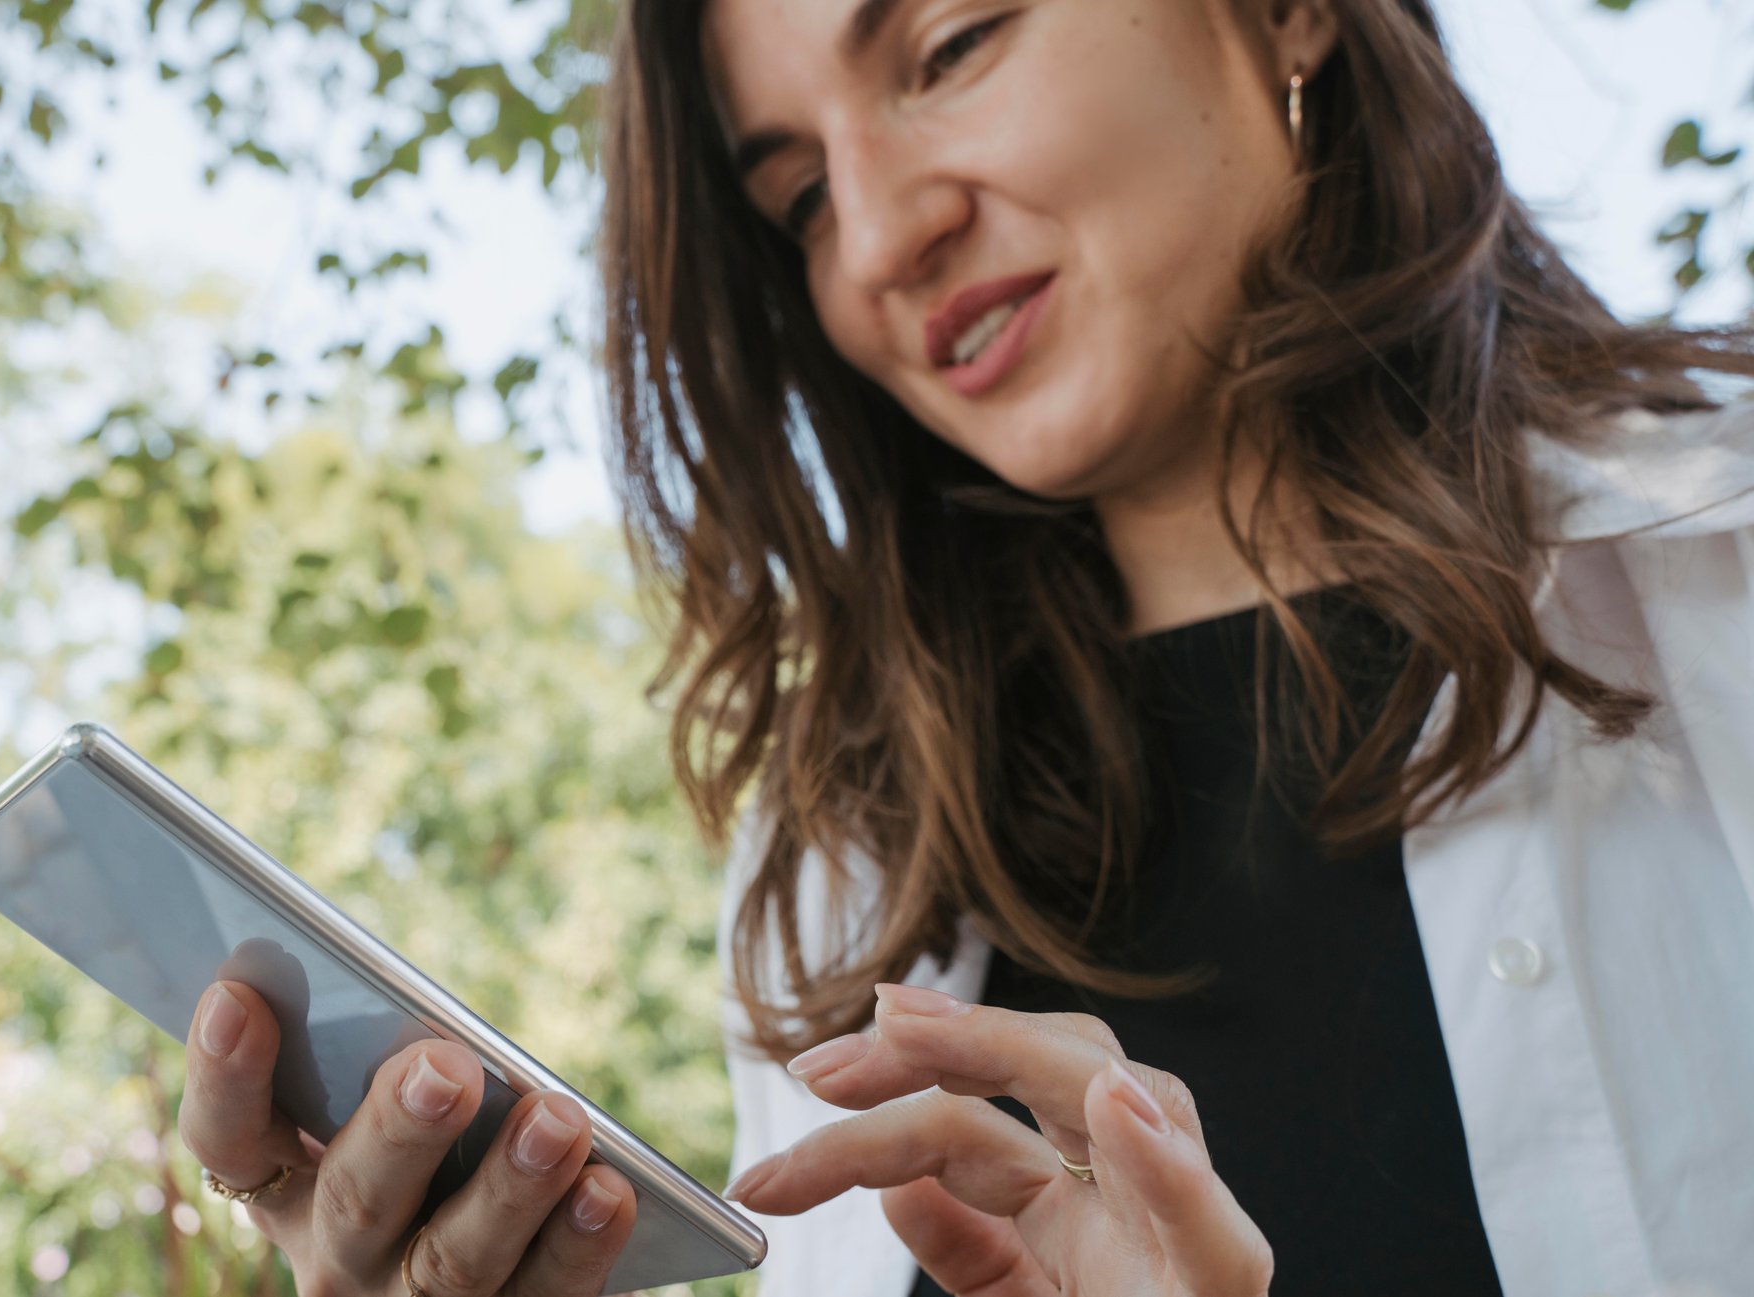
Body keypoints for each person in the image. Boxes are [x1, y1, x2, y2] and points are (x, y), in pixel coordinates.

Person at [177, 1, 1754, 1295]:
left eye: (948, 50)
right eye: (796, 197)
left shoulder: (1723, 587)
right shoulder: (838, 861)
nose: (876, 238)